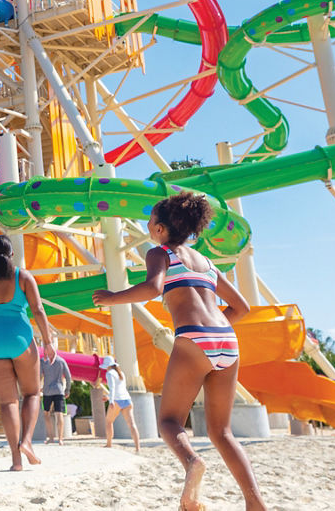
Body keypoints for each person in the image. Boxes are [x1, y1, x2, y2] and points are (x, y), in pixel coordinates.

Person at [93, 192, 265, 511]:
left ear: (160, 229)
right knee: (222, 431)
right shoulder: (207, 263)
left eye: (149, 222)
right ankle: (255, 502)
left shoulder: (160, 253)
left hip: (194, 337)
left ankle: (192, 463)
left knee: (169, 422)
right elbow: (242, 307)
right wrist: (214, 332)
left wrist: (111, 297)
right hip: (227, 340)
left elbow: (154, 288)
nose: (147, 226)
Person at [0, 234, 56, 471]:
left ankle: (16, 461)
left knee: (8, 401)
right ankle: (26, 441)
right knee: (31, 394)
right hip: (20, 339)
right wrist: (48, 342)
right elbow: (38, 310)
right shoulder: (24, 276)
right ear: (12, 255)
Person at [98, 355, 140, 453]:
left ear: (107, 366)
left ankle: (109, 444)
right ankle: (138, 447)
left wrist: (111, 400)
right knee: (132, 424)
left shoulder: (109, 374)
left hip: (116, 400)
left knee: (108, 422)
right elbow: (120, 389)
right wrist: (109, 397)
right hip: (127, 399)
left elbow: (112, 388)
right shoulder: (121, 373)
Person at [40, 345, 71, 444]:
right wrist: (67, 390)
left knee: (46, 414)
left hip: (47, 391)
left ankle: (51, 437)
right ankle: (60, 439)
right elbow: (68, 376)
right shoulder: (61, 361)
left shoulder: (43, 361)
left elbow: (40, 375)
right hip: (59, 390)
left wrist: (38, 388)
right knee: (59, 414)